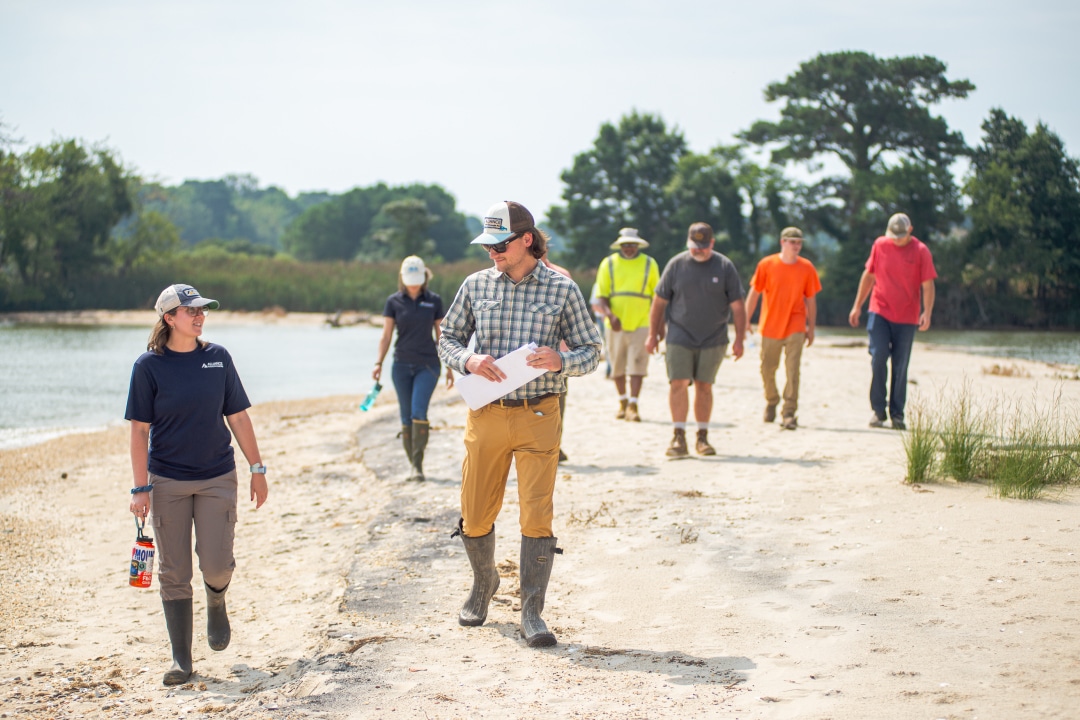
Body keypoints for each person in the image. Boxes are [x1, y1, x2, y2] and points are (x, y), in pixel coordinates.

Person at [438, 200, 601, 648]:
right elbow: (447, 337)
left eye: (500, 243)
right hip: (485, 413)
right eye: (487, 244)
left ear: (526, 239)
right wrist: (467, 358)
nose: (492, 251)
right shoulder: (474, 286)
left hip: (539, 415)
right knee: (474, 514)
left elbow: (592, 350)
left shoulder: (562, 290)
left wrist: (561, 359)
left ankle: (532, 611)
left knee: (536, 512)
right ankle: (483, 584)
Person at [125, 284, 268, 686]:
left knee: (217, 563)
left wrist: (257, 468)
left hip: (217, 477)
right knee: (174, 571)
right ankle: (182, 660)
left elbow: (238, 418)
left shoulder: (218, 359)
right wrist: (140, 489)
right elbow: (139, 432)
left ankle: (217, 598)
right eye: (191, 311)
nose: (200, 316)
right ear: (169, 318)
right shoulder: (148, 366)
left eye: (202, 310)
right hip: (167, 479)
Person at [646, 222, 746, 457]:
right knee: (678, 383)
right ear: (688, 242)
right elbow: (659, 302)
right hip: (679, 334)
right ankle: (678, 436)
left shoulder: (724, 266)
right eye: (694, 246)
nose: (698, 250)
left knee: (704, 386)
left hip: (714, 337)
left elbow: (738, 306)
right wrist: (653, 335)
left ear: (711, 243)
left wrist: (739, 339)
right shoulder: (676, 265)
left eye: (703, 246)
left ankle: (702, 437)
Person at [849, 212, 937, 430]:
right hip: (879, 310)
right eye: (893, 235)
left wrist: (927, 312)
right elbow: (869, 275)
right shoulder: (880, 245)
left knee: (900, 364)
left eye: (901, 235)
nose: (897, 239)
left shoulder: (921, 251)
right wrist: (857, 305)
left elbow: (928, 284)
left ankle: (897, 414)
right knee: (878, 356)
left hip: (907, 316)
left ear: (910, 230)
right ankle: (878, 411)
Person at [373, 256, 453, 481]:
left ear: (424, 277)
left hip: (427, 365)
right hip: (400, 365)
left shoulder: (434, 301)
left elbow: (443, 336)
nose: (414, 283)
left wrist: (449, 366)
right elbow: (386, 335)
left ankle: (417, 466)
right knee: (405, 416)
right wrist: (378, 363)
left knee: (419, 412)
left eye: (417, 279)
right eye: (410, 279)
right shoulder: (393, 302)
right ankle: (412, 465)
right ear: (402, 278)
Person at [744, 227, 822, 430]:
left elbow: (811, 300)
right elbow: (754, 294)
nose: (796, 246)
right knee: (767, 368)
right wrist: (745, 320)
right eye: (792, 242)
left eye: (799, 242)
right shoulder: (767, 264)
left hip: (796, 324)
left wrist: (811, 328)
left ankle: (789, 412)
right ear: (782, 242)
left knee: (792, 369)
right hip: (770, 324)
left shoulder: (807, 268)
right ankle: (771, 399)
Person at [595, 228, 660, 422]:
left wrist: (659, 326)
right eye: (625, 245)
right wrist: (610, 315)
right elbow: (601, 296)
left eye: (632, 245)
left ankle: (633, 403)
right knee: (617, 366)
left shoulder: (650, 263)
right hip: (615, 324)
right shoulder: (608, 264)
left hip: (642, 321)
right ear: (620, 246)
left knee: (638, 365)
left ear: (638, 245)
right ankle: (622, 401)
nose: (629, 248)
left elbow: (658, 296)